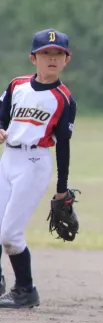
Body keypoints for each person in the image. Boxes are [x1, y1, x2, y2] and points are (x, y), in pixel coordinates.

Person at [0, 29, 77, 308]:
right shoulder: (17, 85)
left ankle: (25, 290)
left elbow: (64, 146)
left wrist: (61, 189)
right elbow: (2, 116)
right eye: (46, 53)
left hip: (35, 162)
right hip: (8, 158)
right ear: (33, 58)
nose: (52, 58)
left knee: (10, 234)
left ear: (67, 59)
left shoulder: (63, 98)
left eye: (58, 54)